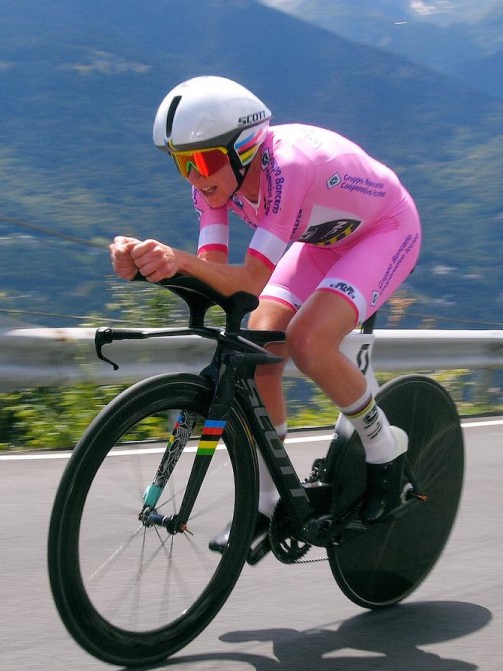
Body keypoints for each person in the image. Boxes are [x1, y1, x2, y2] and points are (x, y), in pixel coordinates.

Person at [110, 75, 422, 551]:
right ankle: (269, 500)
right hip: (324, 238)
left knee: (308, 342)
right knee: (260, 345)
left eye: (205, 160)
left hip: (384, 231)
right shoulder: (213, 184)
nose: (195, 176)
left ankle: (385, 448)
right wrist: (148, 263)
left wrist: (177, 259)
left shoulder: (287, 168)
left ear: (245, 147)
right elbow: (216, 274)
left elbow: (251, 281)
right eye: (182, 164)